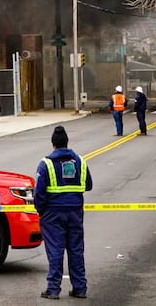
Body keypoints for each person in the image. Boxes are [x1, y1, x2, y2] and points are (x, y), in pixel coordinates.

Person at [35, 126, 93, 300]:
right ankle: (80, 288)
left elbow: (39, 193)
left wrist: (41, 210)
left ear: (53, 144)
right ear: (67, 142)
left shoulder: (46, 164)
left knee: (55, 250)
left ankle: (53, 289)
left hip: (52, 214)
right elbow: (88, 185)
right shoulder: (81, 162)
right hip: (75, 211)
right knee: (76, 249)